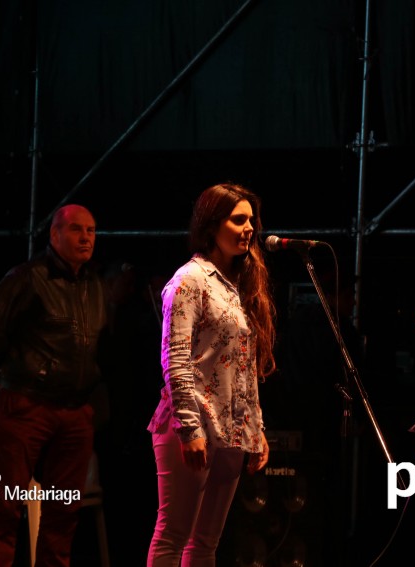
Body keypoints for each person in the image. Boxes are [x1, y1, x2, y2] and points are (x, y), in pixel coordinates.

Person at [146, 183, 276, 566]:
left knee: (205, 545)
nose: (249, 228)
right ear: (211, 225)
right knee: (173, 535)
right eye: (238, 220)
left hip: (232, 431)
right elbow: (175, 358)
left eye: (251, 220)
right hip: (194, 425)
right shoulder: (190, 280)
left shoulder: (237, 286)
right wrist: (190, 429)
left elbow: (243, 366)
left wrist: (257, 428)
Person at [0, 204, 108, 567]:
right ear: (54, 234)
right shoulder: (26, 278)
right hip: (28, 403)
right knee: (6, 508)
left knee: (63, 513)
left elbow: (98, 344)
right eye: (77, 230)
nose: (85, 238)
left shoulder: (94, 283)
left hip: (75, 410)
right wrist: (16, 378)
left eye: (91, 231)